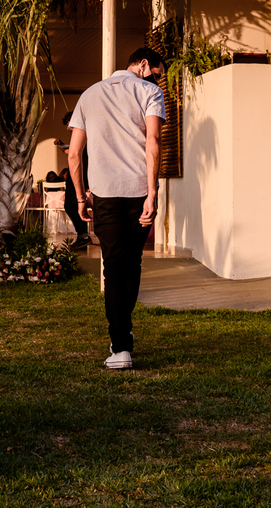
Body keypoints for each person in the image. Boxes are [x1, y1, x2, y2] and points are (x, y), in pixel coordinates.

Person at [68, 47, 166, 371]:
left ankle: (120, 345)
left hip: (105, 196)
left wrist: (81, 198)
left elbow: (73, 155)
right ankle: (123, 331)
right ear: (142, 65)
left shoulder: (89, 95)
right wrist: (152, 195)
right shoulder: (149, 92)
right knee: (132, 263)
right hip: (140, 193)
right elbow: (153, 143)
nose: (158, 80)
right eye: (157, 72)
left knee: (113, 267)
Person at [56, 111, 91, 249]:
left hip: (81, 175)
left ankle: (84, 236)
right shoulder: (80, 136)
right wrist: (62, 145)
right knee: (71, 206)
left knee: (72, 205)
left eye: (69, 123)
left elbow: (73, 153)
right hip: (76, 174)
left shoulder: (86, 135)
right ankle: (83, 235)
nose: (67, 128)